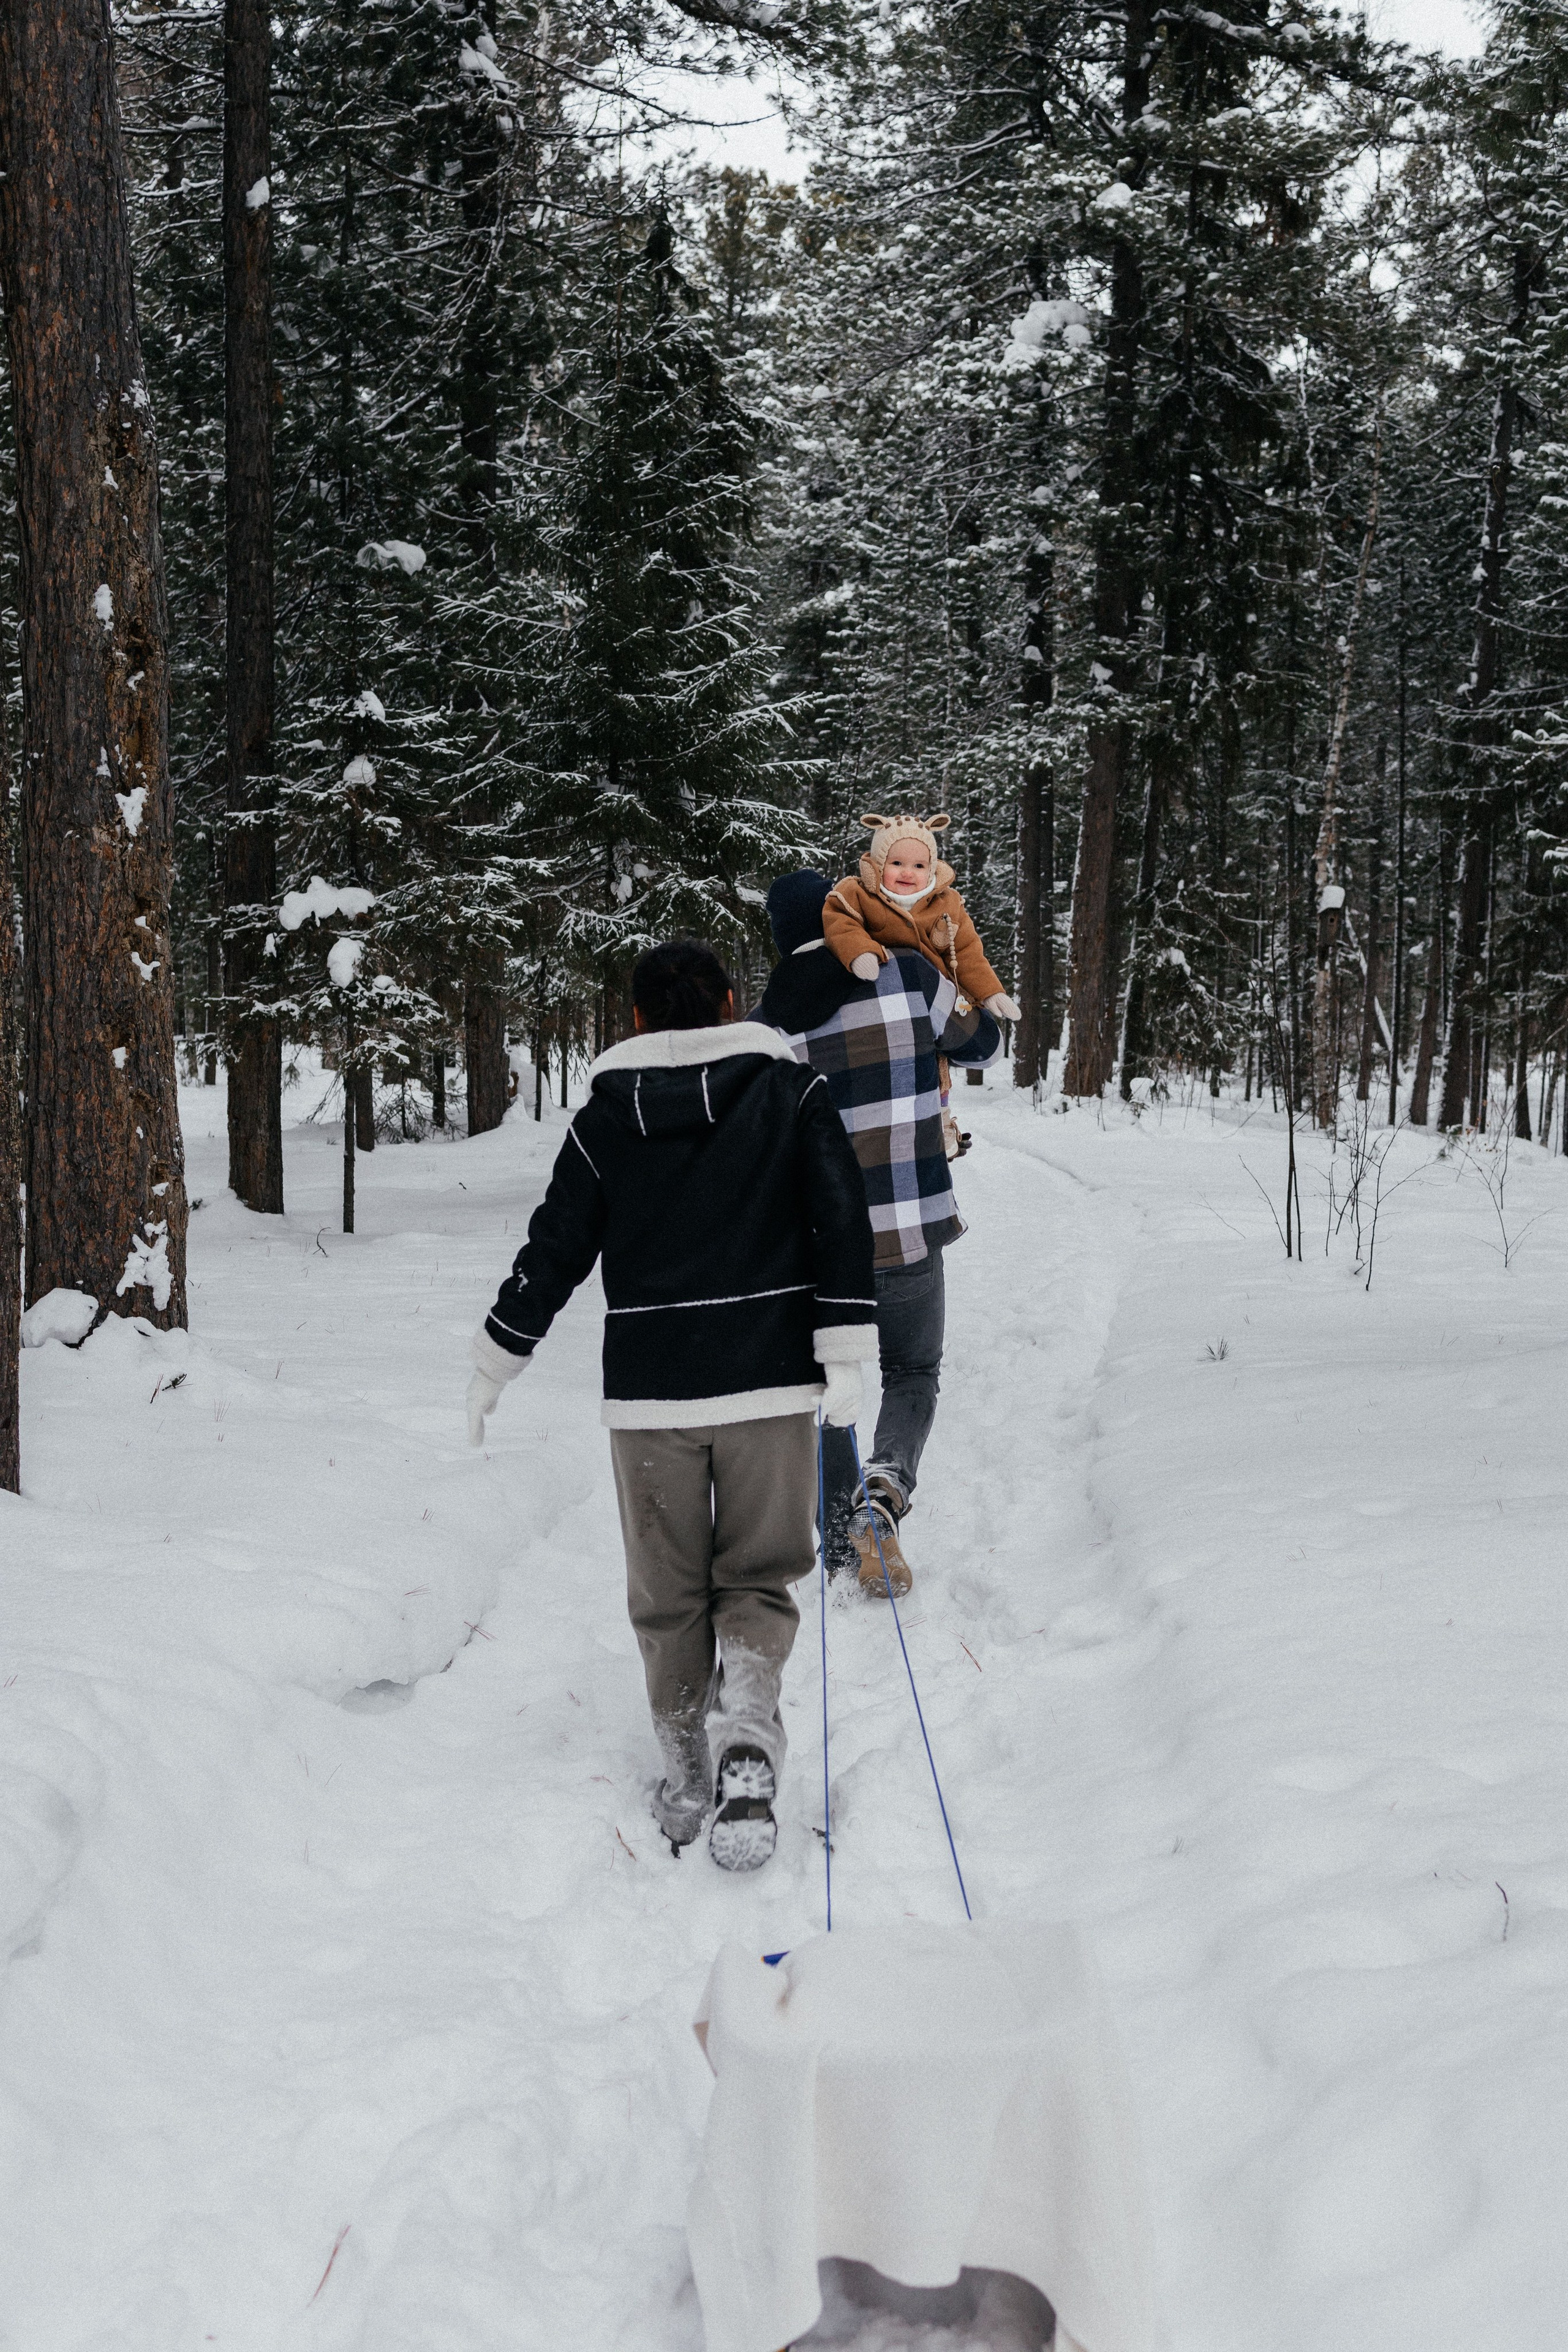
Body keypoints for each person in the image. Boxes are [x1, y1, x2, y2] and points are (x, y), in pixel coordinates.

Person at [465, 938, 877, 1872]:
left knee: (667, 1592)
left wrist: (500, 1353)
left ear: (638, 1020)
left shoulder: (606, 1119)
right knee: (758, 1574)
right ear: (732, 1002)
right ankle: (747, 1735)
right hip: (769, 1386)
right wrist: (845, 1350)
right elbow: (840, 1218)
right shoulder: (792, 1092)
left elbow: (556, 1244)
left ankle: (691, 1774)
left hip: (651, 1399)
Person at [752, 871, 1003, 1599]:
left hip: (817, 1248)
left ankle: (837, 1535)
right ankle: (883, 1492)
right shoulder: (909, 977)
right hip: (910, 1228)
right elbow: (985, 1044)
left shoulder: (767, 1028)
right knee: (912, 1373)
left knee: (835, 1380)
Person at [823, 813, 1017, 1161]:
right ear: (879, 864)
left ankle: (940, 1124)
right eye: (896, 863)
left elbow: (970, 950)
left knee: (934, 1064)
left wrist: (991, 991)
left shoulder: (947, 903)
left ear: (932, 868)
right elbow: (839, 921)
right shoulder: (858, 893)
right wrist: (859, 953)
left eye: (918, 865)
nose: (907, 873)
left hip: (934, 1003)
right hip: (879, 996)